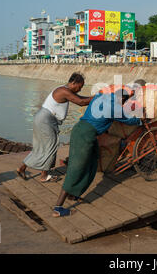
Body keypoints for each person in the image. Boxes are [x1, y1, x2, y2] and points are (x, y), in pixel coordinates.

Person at [52, 89, 141, 217]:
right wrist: (139, 120)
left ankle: (74, 194)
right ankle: (58, 207)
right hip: (86, 135)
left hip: (82, 130)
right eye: (123, 102)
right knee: (76, 169)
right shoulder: (114, 108)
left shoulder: (101, 96)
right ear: (121, 99)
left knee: (93, 162)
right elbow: (128, 120)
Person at [16, 72, 93, 182]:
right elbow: (80, 102)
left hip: (44, 119)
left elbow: (80, 98)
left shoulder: (65, 90)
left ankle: (22, 168)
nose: (80, 89)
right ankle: (44, 176)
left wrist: (93, 98)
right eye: (79, 87)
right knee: (51, 146)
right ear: (73, 83)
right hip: (45, 120)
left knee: (42, 146)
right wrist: (97, 97)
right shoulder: (63, 91)